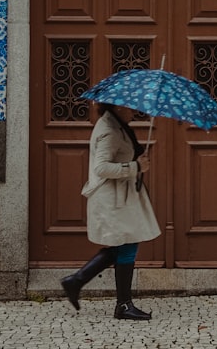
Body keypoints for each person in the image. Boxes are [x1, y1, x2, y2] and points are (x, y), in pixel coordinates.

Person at [61, 103, 160, 320]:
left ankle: (77, 281)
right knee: (127, 244)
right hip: (113, 199)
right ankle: (122, 304)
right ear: (116, 108)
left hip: (121, 197)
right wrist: (135, 167)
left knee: (126, 244)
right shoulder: (108, 130)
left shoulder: (117, 125)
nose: (134, 111)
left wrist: (137, 160)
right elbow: (101, 168)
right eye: (129, 108)